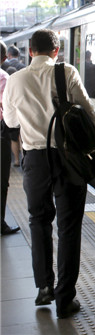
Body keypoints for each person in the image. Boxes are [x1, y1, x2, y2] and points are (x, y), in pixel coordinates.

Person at [2, 29, 95, 319]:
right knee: (69, 227)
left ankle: (44, 287)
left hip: (35, 161)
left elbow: (9, 121)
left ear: (30, 51)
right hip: (68, 159)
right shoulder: (66, 72)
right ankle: (65, 299)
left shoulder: (15, 80)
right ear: (56, 51)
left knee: (39, 220)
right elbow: (91, 116)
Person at [0, 40, 20, 235]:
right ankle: (0, 223)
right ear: (4, 58)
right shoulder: (4, 77)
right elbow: (7, 109)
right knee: (1, 180)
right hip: (1, 132)